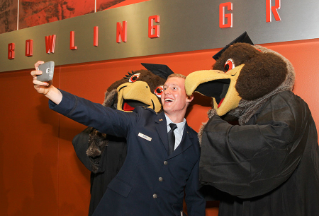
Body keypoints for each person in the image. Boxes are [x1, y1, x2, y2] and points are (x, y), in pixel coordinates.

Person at [31, 61, 206, 216]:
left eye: (174, 88)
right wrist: (51, 92)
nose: (167, 92)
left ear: (189, 97)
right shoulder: (141, 119)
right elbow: (98, 115)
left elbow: (194, 197)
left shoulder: (193, 144)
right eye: (165, 88)